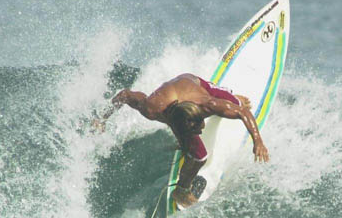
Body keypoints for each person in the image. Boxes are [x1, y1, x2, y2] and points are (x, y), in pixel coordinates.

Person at [94, 73, 270, 207]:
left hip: (192, 84)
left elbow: (243, 113)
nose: (202, 128)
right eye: (197, 127)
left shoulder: (209, 104)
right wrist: (102, 118)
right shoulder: (151, 108)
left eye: (202, 122)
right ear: (183, 126)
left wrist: (258, 141)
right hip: (172, 104)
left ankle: (233, 97)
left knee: (235, 104)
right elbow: (125, 95)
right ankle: (182, 191)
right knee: (199, 156)